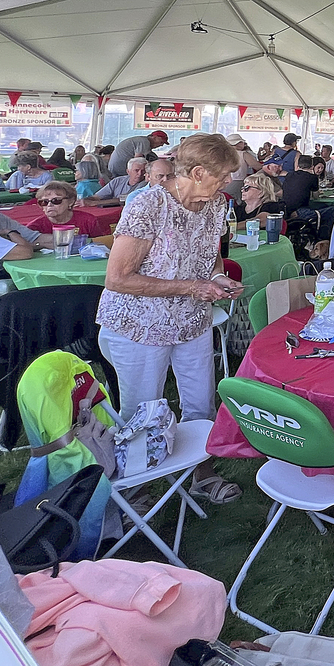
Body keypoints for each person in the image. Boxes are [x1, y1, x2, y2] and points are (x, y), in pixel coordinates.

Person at [98, 133, 244, 504]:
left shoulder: (215, 204)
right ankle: (137, 486)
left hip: (191, 320)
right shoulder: (148, 205)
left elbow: (209, 256)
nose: (229, 181)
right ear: (197, 172)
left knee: (200, 401)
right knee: (142, 409)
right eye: (224, 174)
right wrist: (193, 288)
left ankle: (202, 474)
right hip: (139, 324)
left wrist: (216, 279)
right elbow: (118, 277)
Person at [27, 181, 109, 239]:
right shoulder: (34, 227)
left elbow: (99, 245)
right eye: (44, 202)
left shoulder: (88, 220)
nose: (49, 205)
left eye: (56, 200)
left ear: (71, 201)